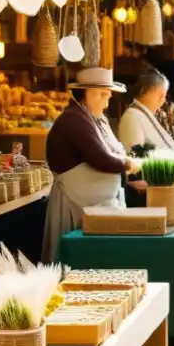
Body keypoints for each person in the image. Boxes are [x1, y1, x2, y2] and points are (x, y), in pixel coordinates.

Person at [42, 68, 141, 262]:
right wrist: (129, 163)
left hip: (98, 206)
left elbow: (115, 153)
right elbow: (101, 158)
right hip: (75, 205)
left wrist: (126, 164)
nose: (107, 100)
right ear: (84, 92)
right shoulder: (73, 119)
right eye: (102, 94)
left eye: (108, 94)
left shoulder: (96, 118)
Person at [117, 67, 174, 152]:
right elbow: (136, 156)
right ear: (143, 91)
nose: (163, 99)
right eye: (160, 94)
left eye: (164, 95)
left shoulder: (144, 113)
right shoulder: (131, 116)